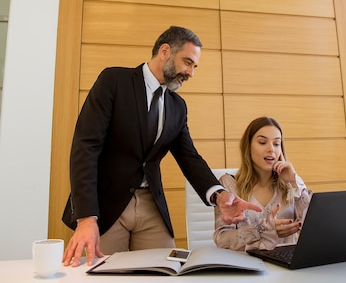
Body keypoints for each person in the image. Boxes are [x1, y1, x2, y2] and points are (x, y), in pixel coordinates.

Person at [62, 25, 261, 267]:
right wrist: (86, 218)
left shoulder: (178, 106)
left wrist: (218, 195)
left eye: (194, 66)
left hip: (150, 205)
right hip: (106, 205)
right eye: (187, 62)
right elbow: (85, 147)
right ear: (165, 51)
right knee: (104, 281)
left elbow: (190, 158)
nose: (190, 73)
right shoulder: (114, 81)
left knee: (167, 275)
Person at [214, 116, 312, 251]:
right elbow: (222, 239)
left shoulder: (292, 185)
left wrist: (294, 182)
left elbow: (313, 228)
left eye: (277, 144)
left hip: (287, 266)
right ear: (248, 147)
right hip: (246, 266)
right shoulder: (229, 185)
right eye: (262, 142)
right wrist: (263, 229)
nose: (271, 149)